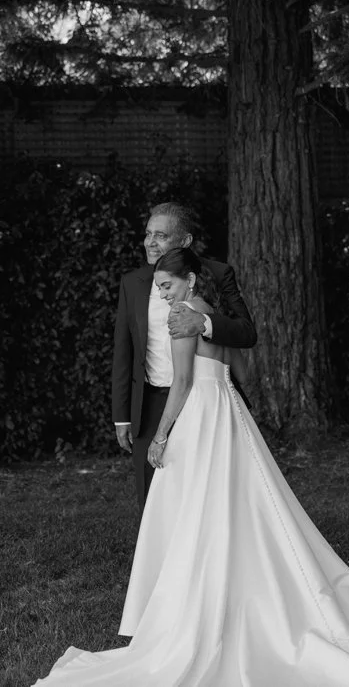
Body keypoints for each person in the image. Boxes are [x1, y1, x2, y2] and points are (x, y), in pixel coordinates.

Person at [36, 248, 349, 685]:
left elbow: (181, 383)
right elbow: (238, 365)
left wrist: (161, 435)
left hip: (200, 416)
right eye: (160, 287)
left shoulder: (182, 317)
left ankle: (192, 606)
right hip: (229, 411)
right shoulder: (213, 316)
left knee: (194, 509)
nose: (162, 294)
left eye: (167, 285)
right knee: (239, 502)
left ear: (190, 280)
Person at [111, 202, 256, 516]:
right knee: (153, 497)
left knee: (210, 493)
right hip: (150, 402)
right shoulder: (132, 282)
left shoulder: (217, 274)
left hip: (205, 405)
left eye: (160, 236)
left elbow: (247, 333)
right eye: (148, 234)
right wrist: (122, 415)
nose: (150, 242)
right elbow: (124, 350)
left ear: (185, 241)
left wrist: (204, 324)